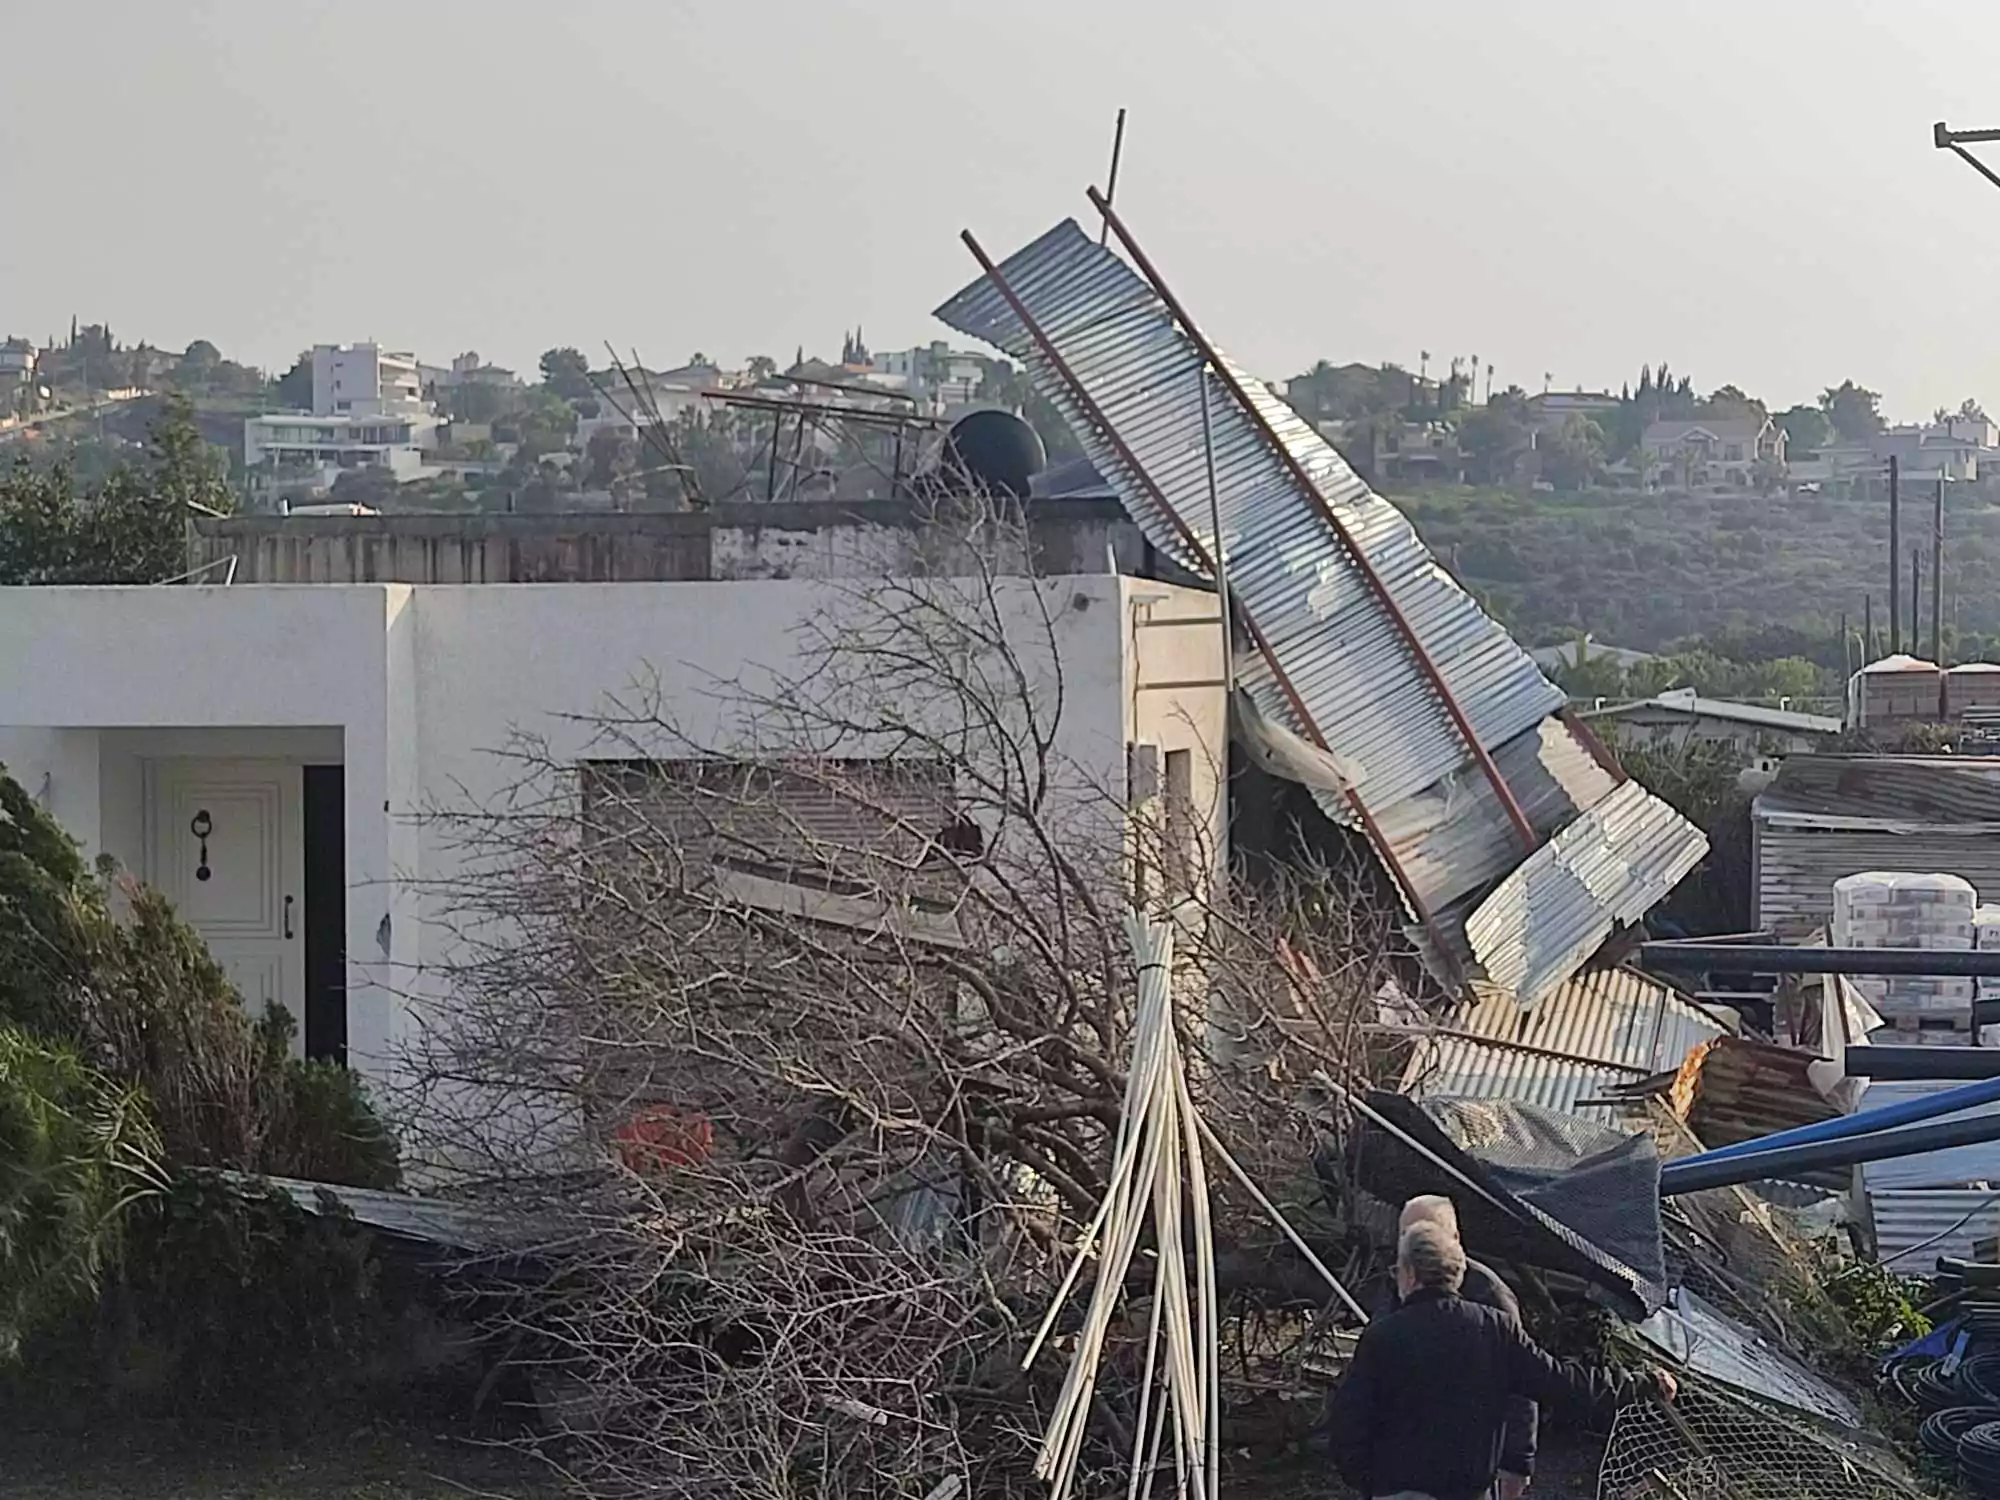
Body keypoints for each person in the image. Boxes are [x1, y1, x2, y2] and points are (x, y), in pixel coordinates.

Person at [1326, 1220, 1676, 1500]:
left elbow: (1350, 1418)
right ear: (1458, 1273)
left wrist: (1367, 1479)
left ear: (1410, 1274)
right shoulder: (1495, 1327)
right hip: (1469, 1487)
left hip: (1398, 1486)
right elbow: (1562, 1384)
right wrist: (1641, 1385)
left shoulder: (1384, 1335)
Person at [1386, 1197, 1537, 1500]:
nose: (1415, 1245)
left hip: (1469, 1470)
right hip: (1403, 1470)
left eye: (1427, 1234)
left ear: (1455, 1239)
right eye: (1407, 1235)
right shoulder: (1394, 1288)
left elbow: (1523, 1385)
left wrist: (1517, 1463)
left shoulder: (1489, 1296)